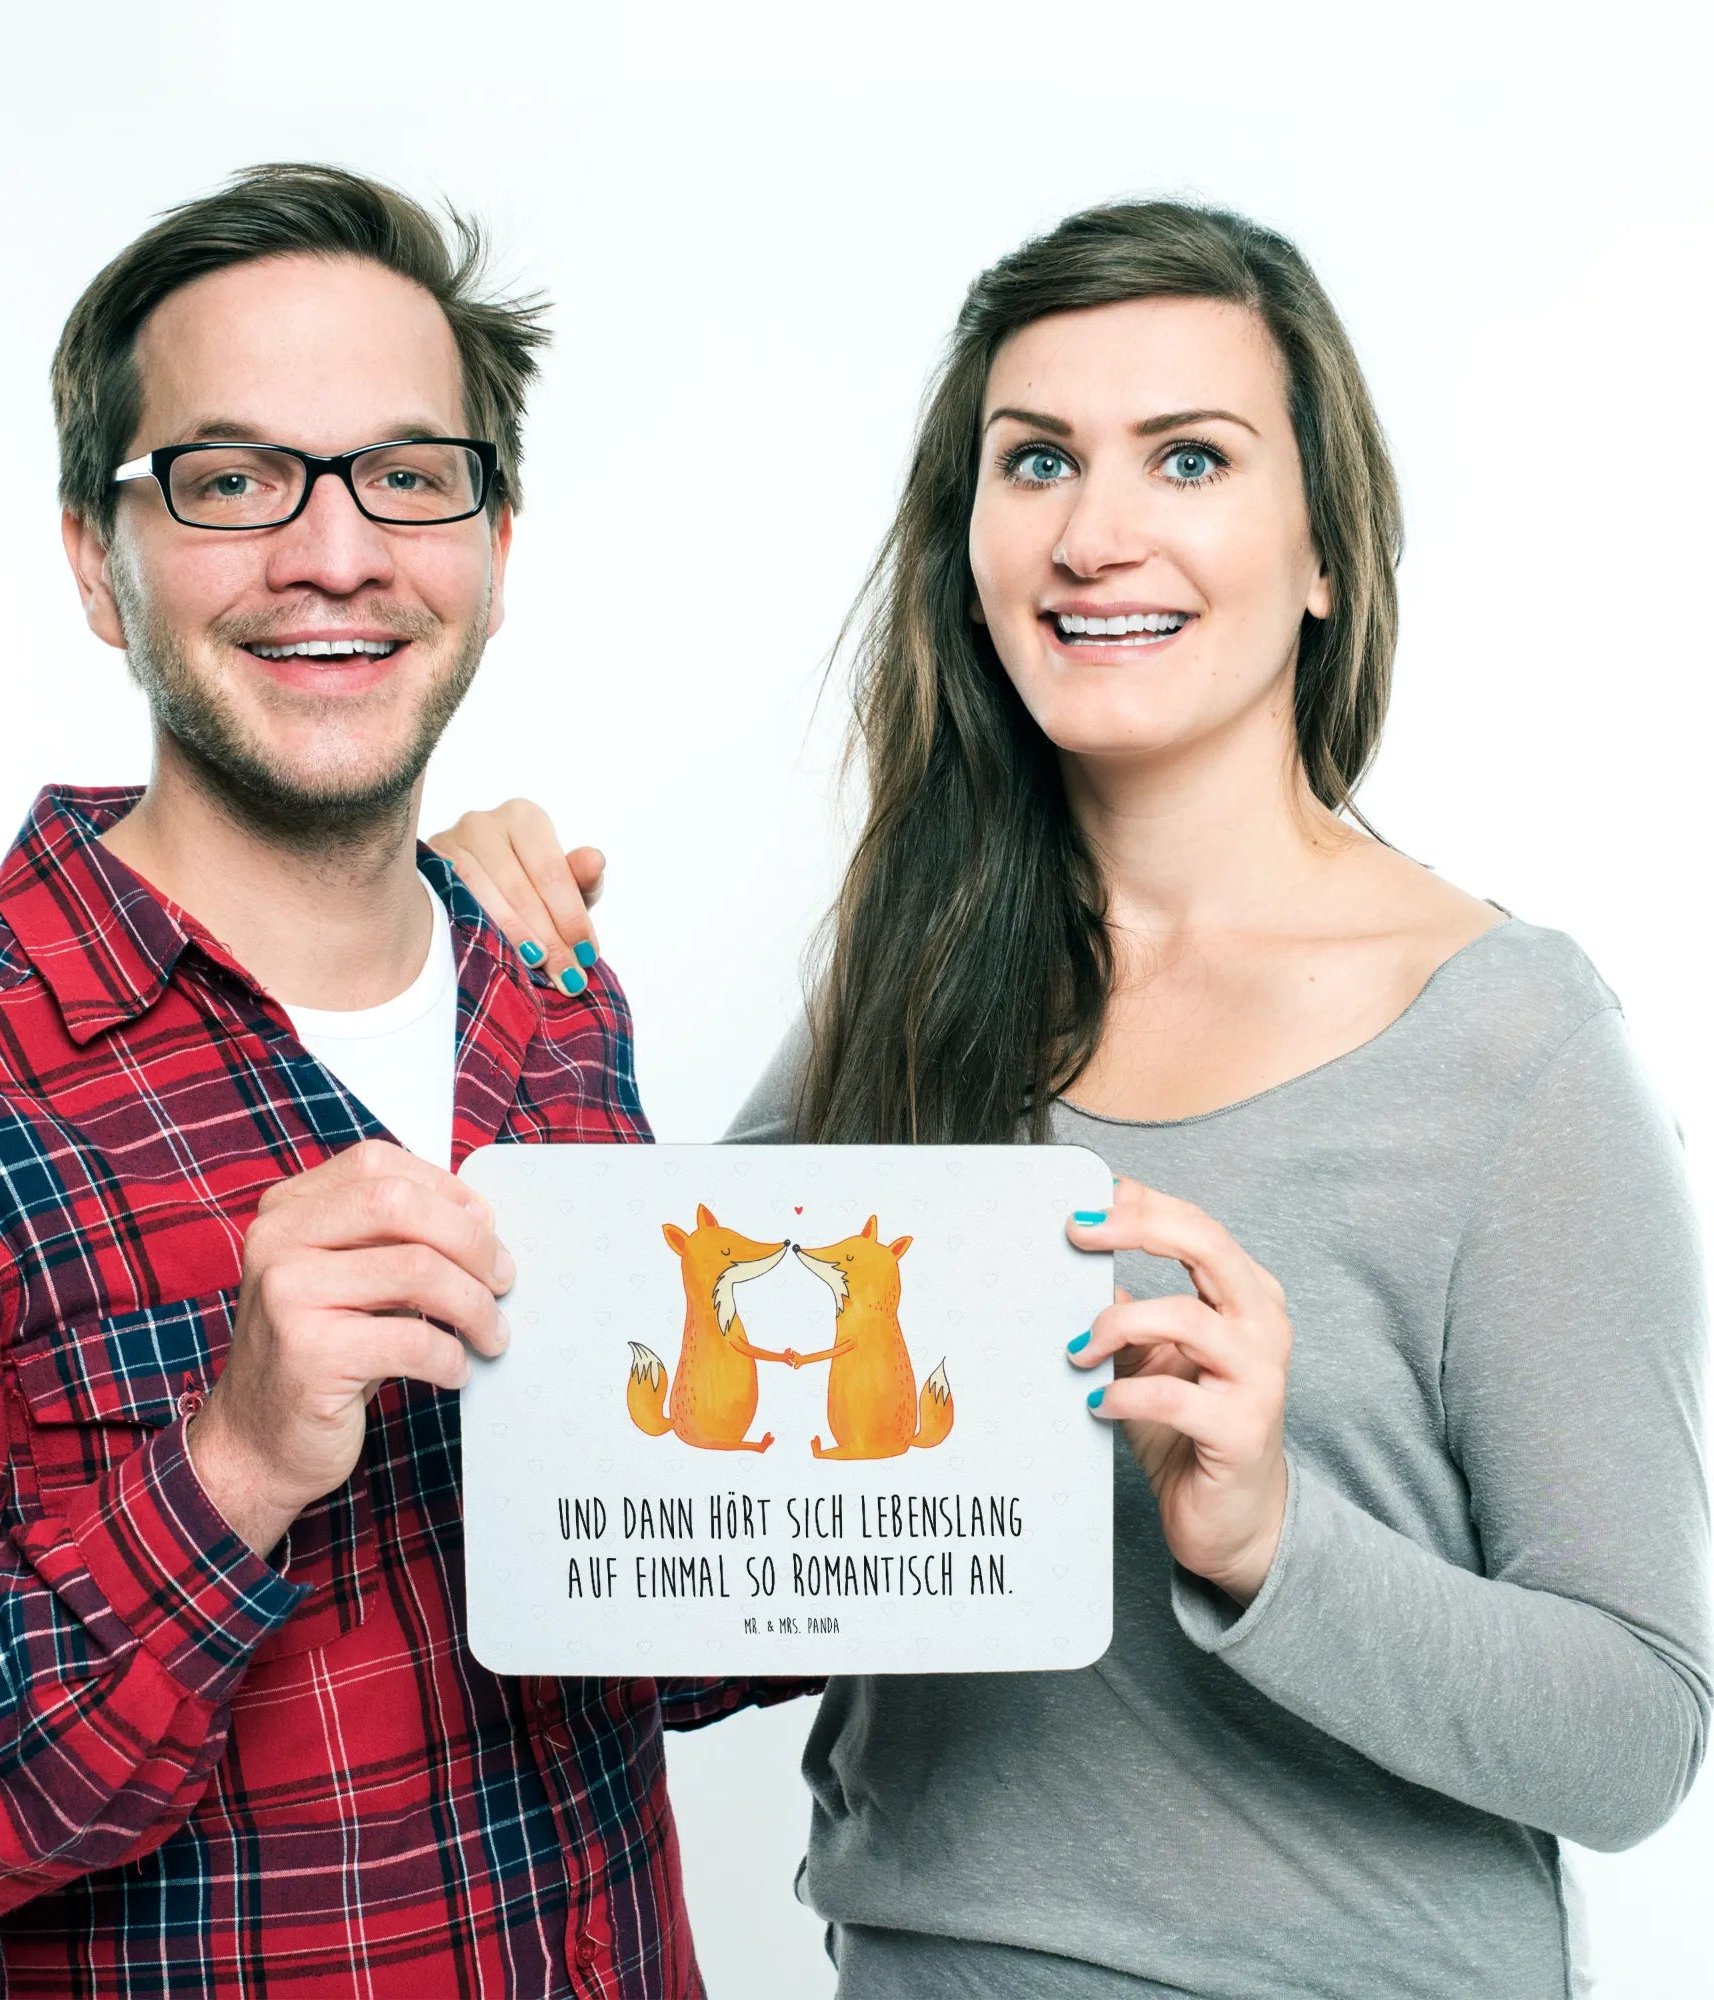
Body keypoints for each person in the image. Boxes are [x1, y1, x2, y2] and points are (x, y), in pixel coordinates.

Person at [430, 199, 1711, 1997]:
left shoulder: (1512, 1048)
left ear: (1325, 552)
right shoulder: (910, 974)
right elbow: (623, 1449)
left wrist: (1271, 1542)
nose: (1095, 535)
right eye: (1035, 460)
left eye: (1189, 457)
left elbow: (1637, 1734)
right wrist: (470, 959)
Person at [0, 163, 805, 1996]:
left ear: (494, 547)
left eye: (408, 475)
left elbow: (631, 1643)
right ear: (99, 561)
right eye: (232, 482)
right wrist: (226, 1471)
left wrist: (952, 1462)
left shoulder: (551, 999)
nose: (337, 553)